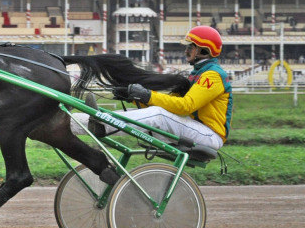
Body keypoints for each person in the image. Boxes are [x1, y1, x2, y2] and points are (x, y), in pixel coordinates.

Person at [73, 26, 233, 150]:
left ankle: (102, 125)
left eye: (191, 47)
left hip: (209, 135)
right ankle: (73, 122)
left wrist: (147, 95)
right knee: (141, 114)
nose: (186, 50)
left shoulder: (213, 76)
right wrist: (136, 98)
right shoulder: (198, 74)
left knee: (159, 115)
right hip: (195, 129)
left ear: (204, 50)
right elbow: (171, 105)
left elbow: (185, 106)